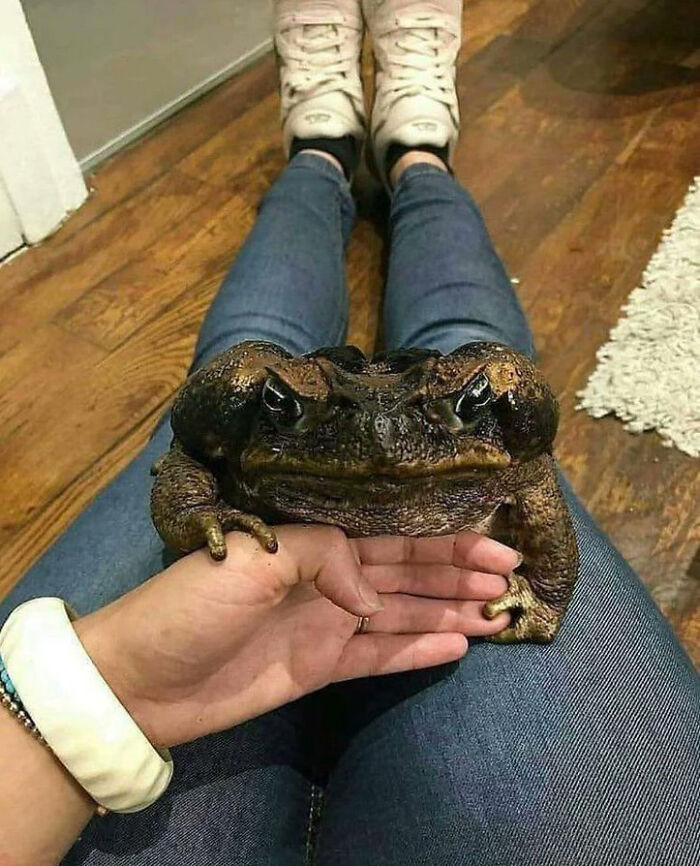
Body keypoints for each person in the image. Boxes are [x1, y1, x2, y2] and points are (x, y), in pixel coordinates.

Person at [0, 1, 697, 864]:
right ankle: (395, 156)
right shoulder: (269, 417)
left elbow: (527, 472)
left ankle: (347, 154)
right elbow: (190, 458)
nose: (378, 447)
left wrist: (544, 591)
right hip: (303, 472)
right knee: (299, 355)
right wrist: (202, 507)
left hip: (377, 499)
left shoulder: (484, 451)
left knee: (443, 355)